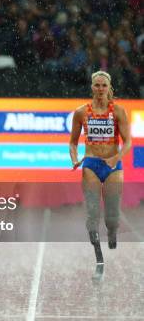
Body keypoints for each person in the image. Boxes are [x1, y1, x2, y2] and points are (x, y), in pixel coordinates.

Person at [69, 71, 131, 278]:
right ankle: (99, 259)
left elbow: (128, 141)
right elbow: (72, 141)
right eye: (97, 85)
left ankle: (112, 232)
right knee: (92, 213)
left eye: (104, 85)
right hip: (91, 164)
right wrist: (75, 158)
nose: (100, 89)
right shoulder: (81, 112)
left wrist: (117, 156)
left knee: (112, 217)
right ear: (92, 87)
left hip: (113, 165)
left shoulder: (119, 112)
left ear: (109, 87)